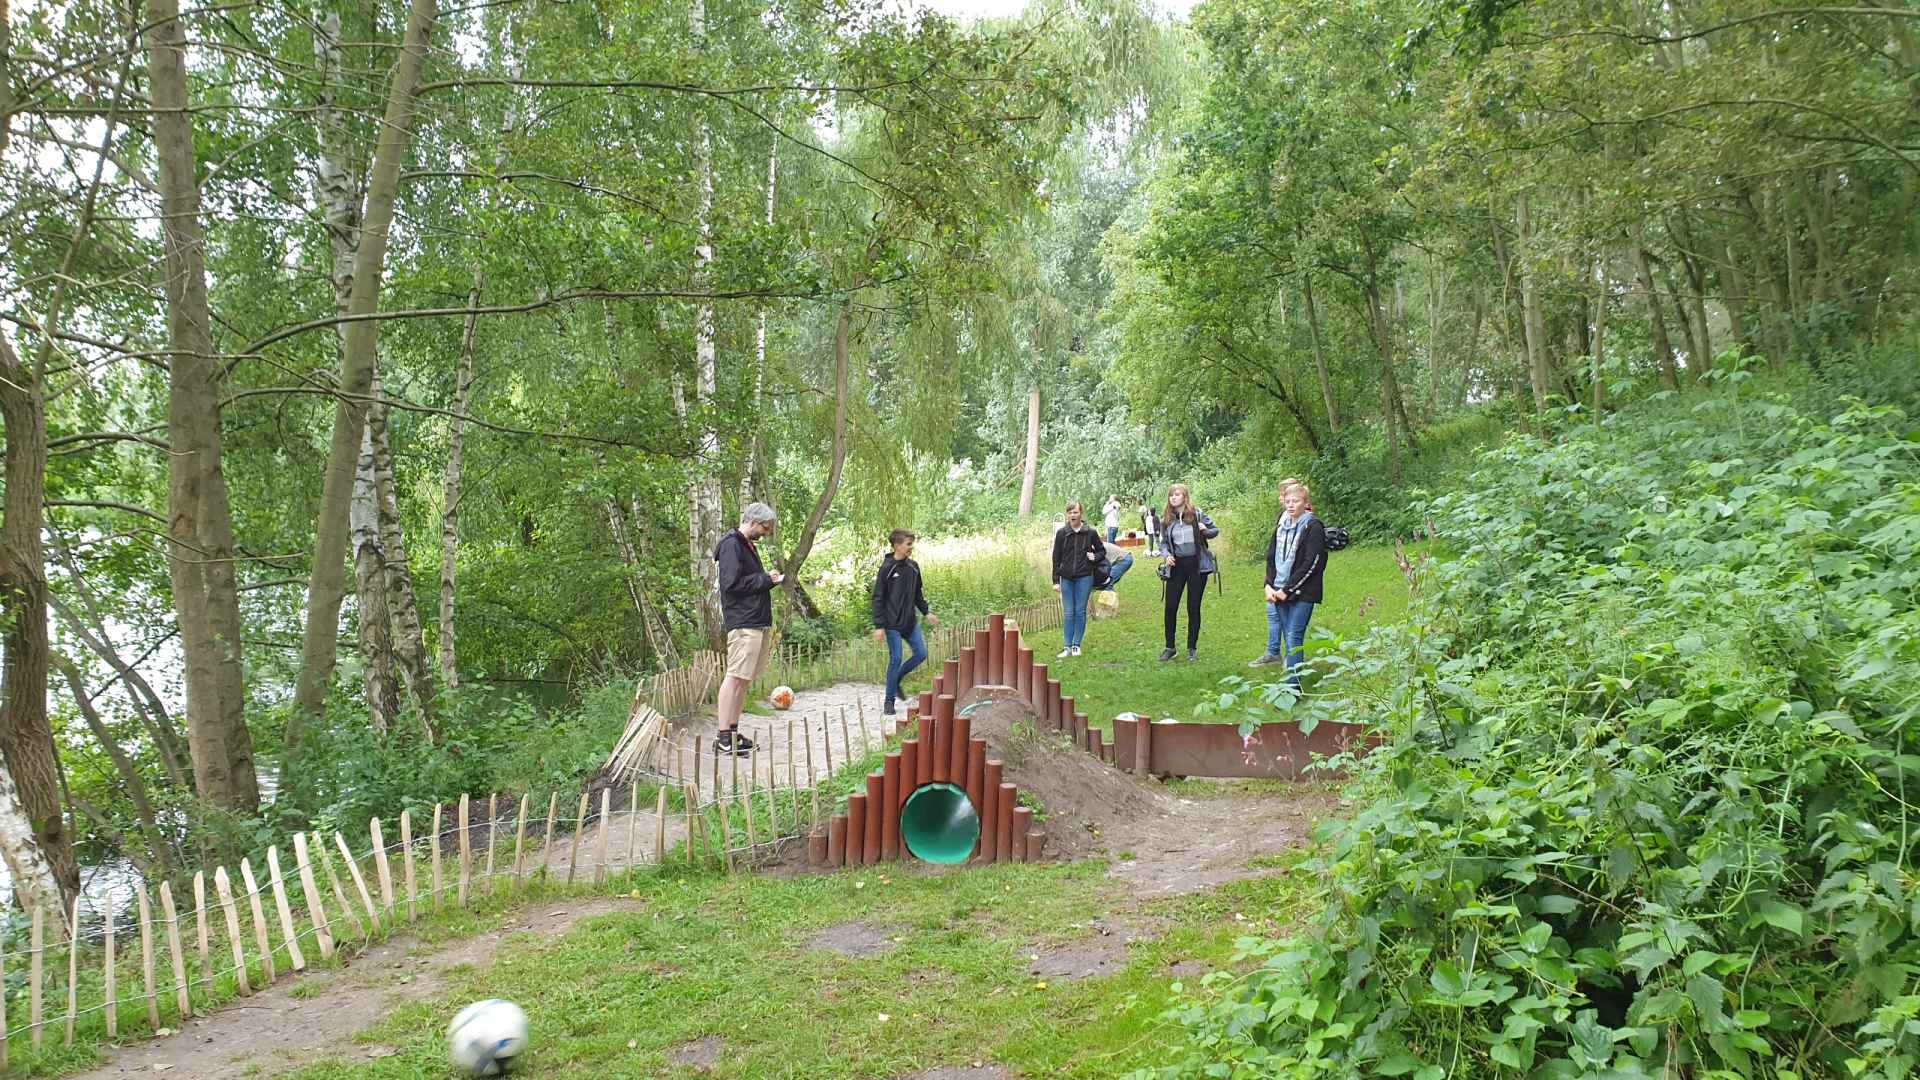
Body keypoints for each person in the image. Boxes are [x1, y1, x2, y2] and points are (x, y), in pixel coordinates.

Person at [713, 502, 784, 755]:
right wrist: (765, 579)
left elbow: (747, 581)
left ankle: (732, 732)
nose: (766, 532)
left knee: (743, 679)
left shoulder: (745, 544)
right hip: (743, 622)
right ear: (753, 521)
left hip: (754, 620)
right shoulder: (732, 544)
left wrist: (768, 581)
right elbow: (731, 584)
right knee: (734, 676)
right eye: (765, 527)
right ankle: (723, 738)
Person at [1254, 480, 1327, 686]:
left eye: (1296, 501)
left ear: (1306, 503)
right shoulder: (1281, 525)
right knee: (1288, 636)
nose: (1291, 505)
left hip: (1303, 591)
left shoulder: (1313, 526)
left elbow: (1312, 562)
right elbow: (1271, 557)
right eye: (1288, 501)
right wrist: (1268, 585)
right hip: (1279, 589)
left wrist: (1288, 589)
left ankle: (1292, 687)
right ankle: (1292, 678)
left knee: (1294, 635)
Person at [870, 529, 939, 715]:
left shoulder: (913, 567)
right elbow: (878, 598)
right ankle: (889, 701)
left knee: (921, 653)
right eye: (908, 544)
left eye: (911, 544)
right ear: (897, 546)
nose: (911, 547)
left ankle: (897, 678)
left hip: (910, 622)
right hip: (892, 624)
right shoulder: (887, 568)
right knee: (896, 658)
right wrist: (879, 626)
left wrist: (926, 612)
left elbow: (917, 595)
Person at [1158, 483, 1218, 662]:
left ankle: (1192, 648)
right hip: (1176, 566)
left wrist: (1204, 530)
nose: (1174, 497)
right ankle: (1170, 647)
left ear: (1185, 497)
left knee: (1193, 607)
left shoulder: (1197, 514)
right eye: (1171, 495)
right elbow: (1163, 543)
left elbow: (1215, 531)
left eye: (1177, 494)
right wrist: (1167, 555)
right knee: (1170, 607)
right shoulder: (1166, 519)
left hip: (1197, 566)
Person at [1050, 501, 1108, 658]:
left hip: (1085, 576)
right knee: (1068, 612)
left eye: (1075, 512)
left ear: (1081, 513)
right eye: (1069, 513)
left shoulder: (1090, 532)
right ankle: (1067, 647)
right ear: (1067, 514)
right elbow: (1056, 557)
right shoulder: (1062, 533)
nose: (1072, 515)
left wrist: (1095, 556)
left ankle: (1076, 645)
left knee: (1080, 611)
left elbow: (1102, 551)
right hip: (1066, 577)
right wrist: (1055, 581)